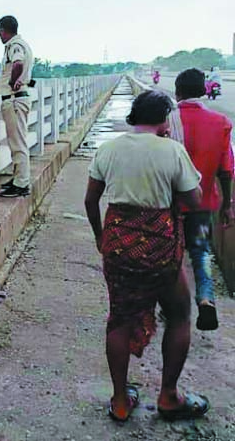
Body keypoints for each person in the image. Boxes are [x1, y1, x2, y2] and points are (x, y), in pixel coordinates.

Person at [85, 90, 209, 423]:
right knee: (180, 314)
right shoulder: (172, 150)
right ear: (164, 119)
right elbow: (194, 200)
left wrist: (101, 237)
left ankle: (121, 400)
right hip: (160, 252)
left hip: (119, 248)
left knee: (120, 319)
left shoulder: (109, 148)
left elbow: (90, 200)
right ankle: (169, 396)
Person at [168, 68, 233, 330]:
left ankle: (174, 306)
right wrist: (227, 205)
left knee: (172, 255)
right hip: (203, 203)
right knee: (201, 253)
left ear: (178, 92)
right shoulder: (220, 122)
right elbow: (227, 170)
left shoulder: (168, 119)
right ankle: (206, 298)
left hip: (170, 204)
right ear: (205, 91)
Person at [0, 15, 35, 198]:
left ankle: (21, 183)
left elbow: (18, 63)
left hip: (14, 99)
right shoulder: (23, 44)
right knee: (17, 141)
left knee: (17, 142)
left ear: (3, 30)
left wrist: (13, 81)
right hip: (18, 98)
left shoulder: (14, 46)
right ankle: (19, 178)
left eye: (0, 31)